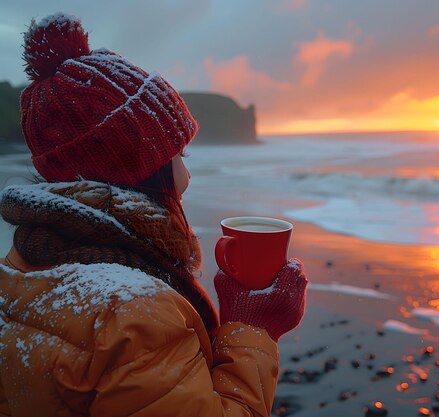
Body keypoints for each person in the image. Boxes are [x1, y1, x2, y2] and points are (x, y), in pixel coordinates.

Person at [0, 13, 307, 416]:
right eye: (179, 155)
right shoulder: (137, 315)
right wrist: (254, 328)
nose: (187, 175)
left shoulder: (19, 264)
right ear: (140, 167)